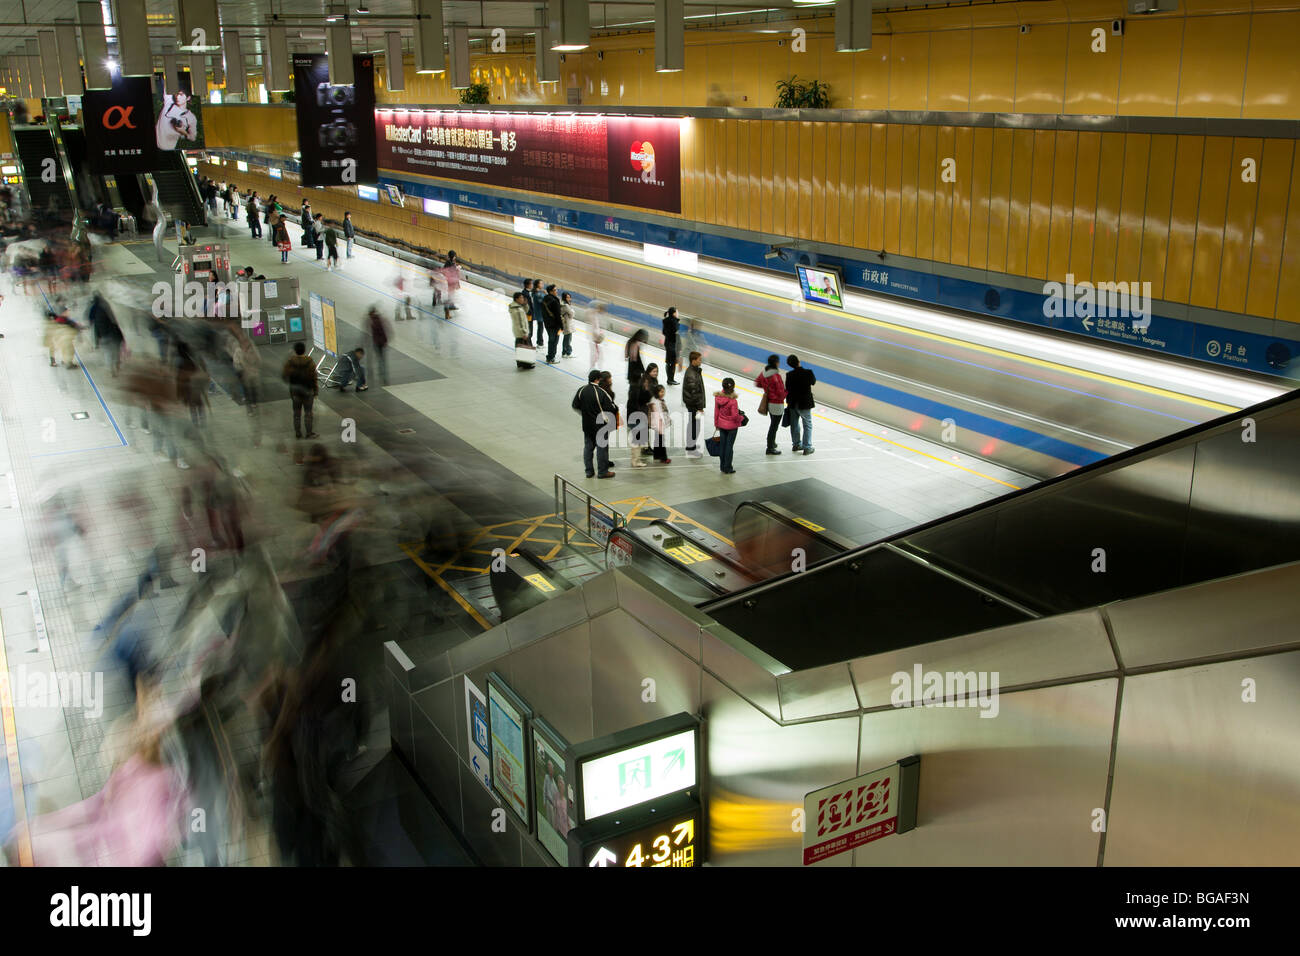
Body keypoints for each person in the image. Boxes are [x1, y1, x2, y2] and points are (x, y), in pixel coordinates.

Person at [573, 369, 619, 479]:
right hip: (600, 426)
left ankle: (589, 471)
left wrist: (584, 414)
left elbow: (575, 405)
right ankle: (602, 472)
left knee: (588, 447)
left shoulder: (581, 390)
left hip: (587, 425)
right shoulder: (601, 393)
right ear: (598, 379)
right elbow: (612, 408)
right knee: (601, 449)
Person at [282, 341, 319, 440]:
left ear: (295, 350)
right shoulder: (310, 361)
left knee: (296, 413)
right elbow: (314, 377)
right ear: (304, 350)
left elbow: (284, 375)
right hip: (308, 391)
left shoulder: (290, 362)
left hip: (295, 392)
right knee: (308, 413)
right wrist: (315, 391)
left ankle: (298, 433)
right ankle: (309, 433)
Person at [755, 353, 788, 455]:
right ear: (776, 363)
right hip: (777, 405)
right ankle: (770, 447)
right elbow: (781, 394)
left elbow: (757, 383)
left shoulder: (764, 373)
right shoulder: (776, 376)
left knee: (773, 424)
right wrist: (788, 391)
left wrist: (767, 390)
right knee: (774, 427)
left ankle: (772, 443)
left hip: (769, 402)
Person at [785, 354, 817, 455]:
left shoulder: (789, 375)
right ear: (799, 361)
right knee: (807, 424)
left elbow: (788, 388)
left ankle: (796, 444)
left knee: (794, 424)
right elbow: (813, 382)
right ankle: (807, 447)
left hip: (793, 403)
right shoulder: (808, 373)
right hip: (805, 403)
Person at [88, 292, 124, 377]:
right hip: (113, 336)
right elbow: (115, 325)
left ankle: (111, 369)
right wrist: (122, 337)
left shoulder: (95, 317)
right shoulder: (107, 312)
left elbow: (95, 331)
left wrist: (96, 343)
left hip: (103, 338)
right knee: (115, 351)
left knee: (108, 353)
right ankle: (116, 364)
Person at [712, 378, 743, 474]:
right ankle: (728, 467)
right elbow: (734, 416)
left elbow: (716, 412)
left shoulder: (718, 398)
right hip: (732, 427)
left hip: (721, 425)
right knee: (729, 447)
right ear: (733, 387)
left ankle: (722, 466)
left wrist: (716, 423)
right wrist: (741, 418)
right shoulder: (733, 401)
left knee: (723, 446)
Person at [682, 350, 706, 458]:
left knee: (693, 425)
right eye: (699, 359)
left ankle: (691, 445)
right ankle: (691, 448)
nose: (701, 361)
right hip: (693, 405)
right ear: (693, 361)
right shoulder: (692, 374)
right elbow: (695, 393)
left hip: (692, 403)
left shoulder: (694, 371)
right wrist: (700, 407)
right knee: (694, 427)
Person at [367, 307, 390, 384]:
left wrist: (383, 341)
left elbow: (381, 332)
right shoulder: (377, 320)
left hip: (378, 343)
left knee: (381, 360)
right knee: (381, 359)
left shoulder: (375, 322)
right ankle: (382, 374)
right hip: (379, 342)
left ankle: (383, 375)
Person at [649, 384, 671, 464]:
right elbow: (658, 414)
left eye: (663, 392)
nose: (663, 393)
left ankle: (656, 455)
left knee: (657, 440)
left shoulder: (657, 400)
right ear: (656, 392)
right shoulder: (656, 402)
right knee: (661, 441)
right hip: (658, 423)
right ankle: (663, 458)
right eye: (661, 392)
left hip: (658, 423)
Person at [542, 283, 563, 363]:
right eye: (555, 290)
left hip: (547, 324)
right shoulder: (555, 301)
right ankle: (551, 358)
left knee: (551, 340)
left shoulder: (545, 299)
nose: (556, 291)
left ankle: (549, 357)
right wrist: (562, 327)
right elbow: (558, 315)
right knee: (554, 342)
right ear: (550, 291)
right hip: (555, 325)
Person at [509, 291, 532, 363]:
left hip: (518, 331)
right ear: (516, 299)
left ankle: (521, 362)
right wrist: (524, 333)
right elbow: (520, 322)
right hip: (521, 332)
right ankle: (524, 363)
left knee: (520, 347)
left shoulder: (517, 307)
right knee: (523, 348)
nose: (523, 299)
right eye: (521, 298)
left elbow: (525, 311)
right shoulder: (517, 310)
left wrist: (525, 304)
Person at [662, 307, 681, 385]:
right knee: (672, 363)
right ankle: (670, 379)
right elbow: (675, 331)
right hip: (672, 344)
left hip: (668, 343)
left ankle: (669, 379)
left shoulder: (666, 321)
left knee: (669, 362)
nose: (678, 314)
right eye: (677, 312)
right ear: (673, 313)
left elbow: (664, 332)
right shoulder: (673, 322)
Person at [530, 279, 547, 347]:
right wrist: (546, 294)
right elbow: (543, 301)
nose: (542, 285)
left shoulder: (539, 292)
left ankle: (540, 342)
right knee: (540, 328)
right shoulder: (538, 293)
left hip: (539, 313)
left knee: (540, 327)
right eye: (541, 284)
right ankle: (540, 342)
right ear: (537, 285)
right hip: (539, 313)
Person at [560, 292, 576, 358]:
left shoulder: (564, 304)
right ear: (564, 298)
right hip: (567, 324)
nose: (569, 298)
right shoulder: (566, 305)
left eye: (569, 297)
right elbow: (572, 314)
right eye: (567, 297)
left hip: (567, 323)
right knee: (568, 339)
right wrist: (572, 311)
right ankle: (567, 353)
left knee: (566, 338)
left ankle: (564, 352)